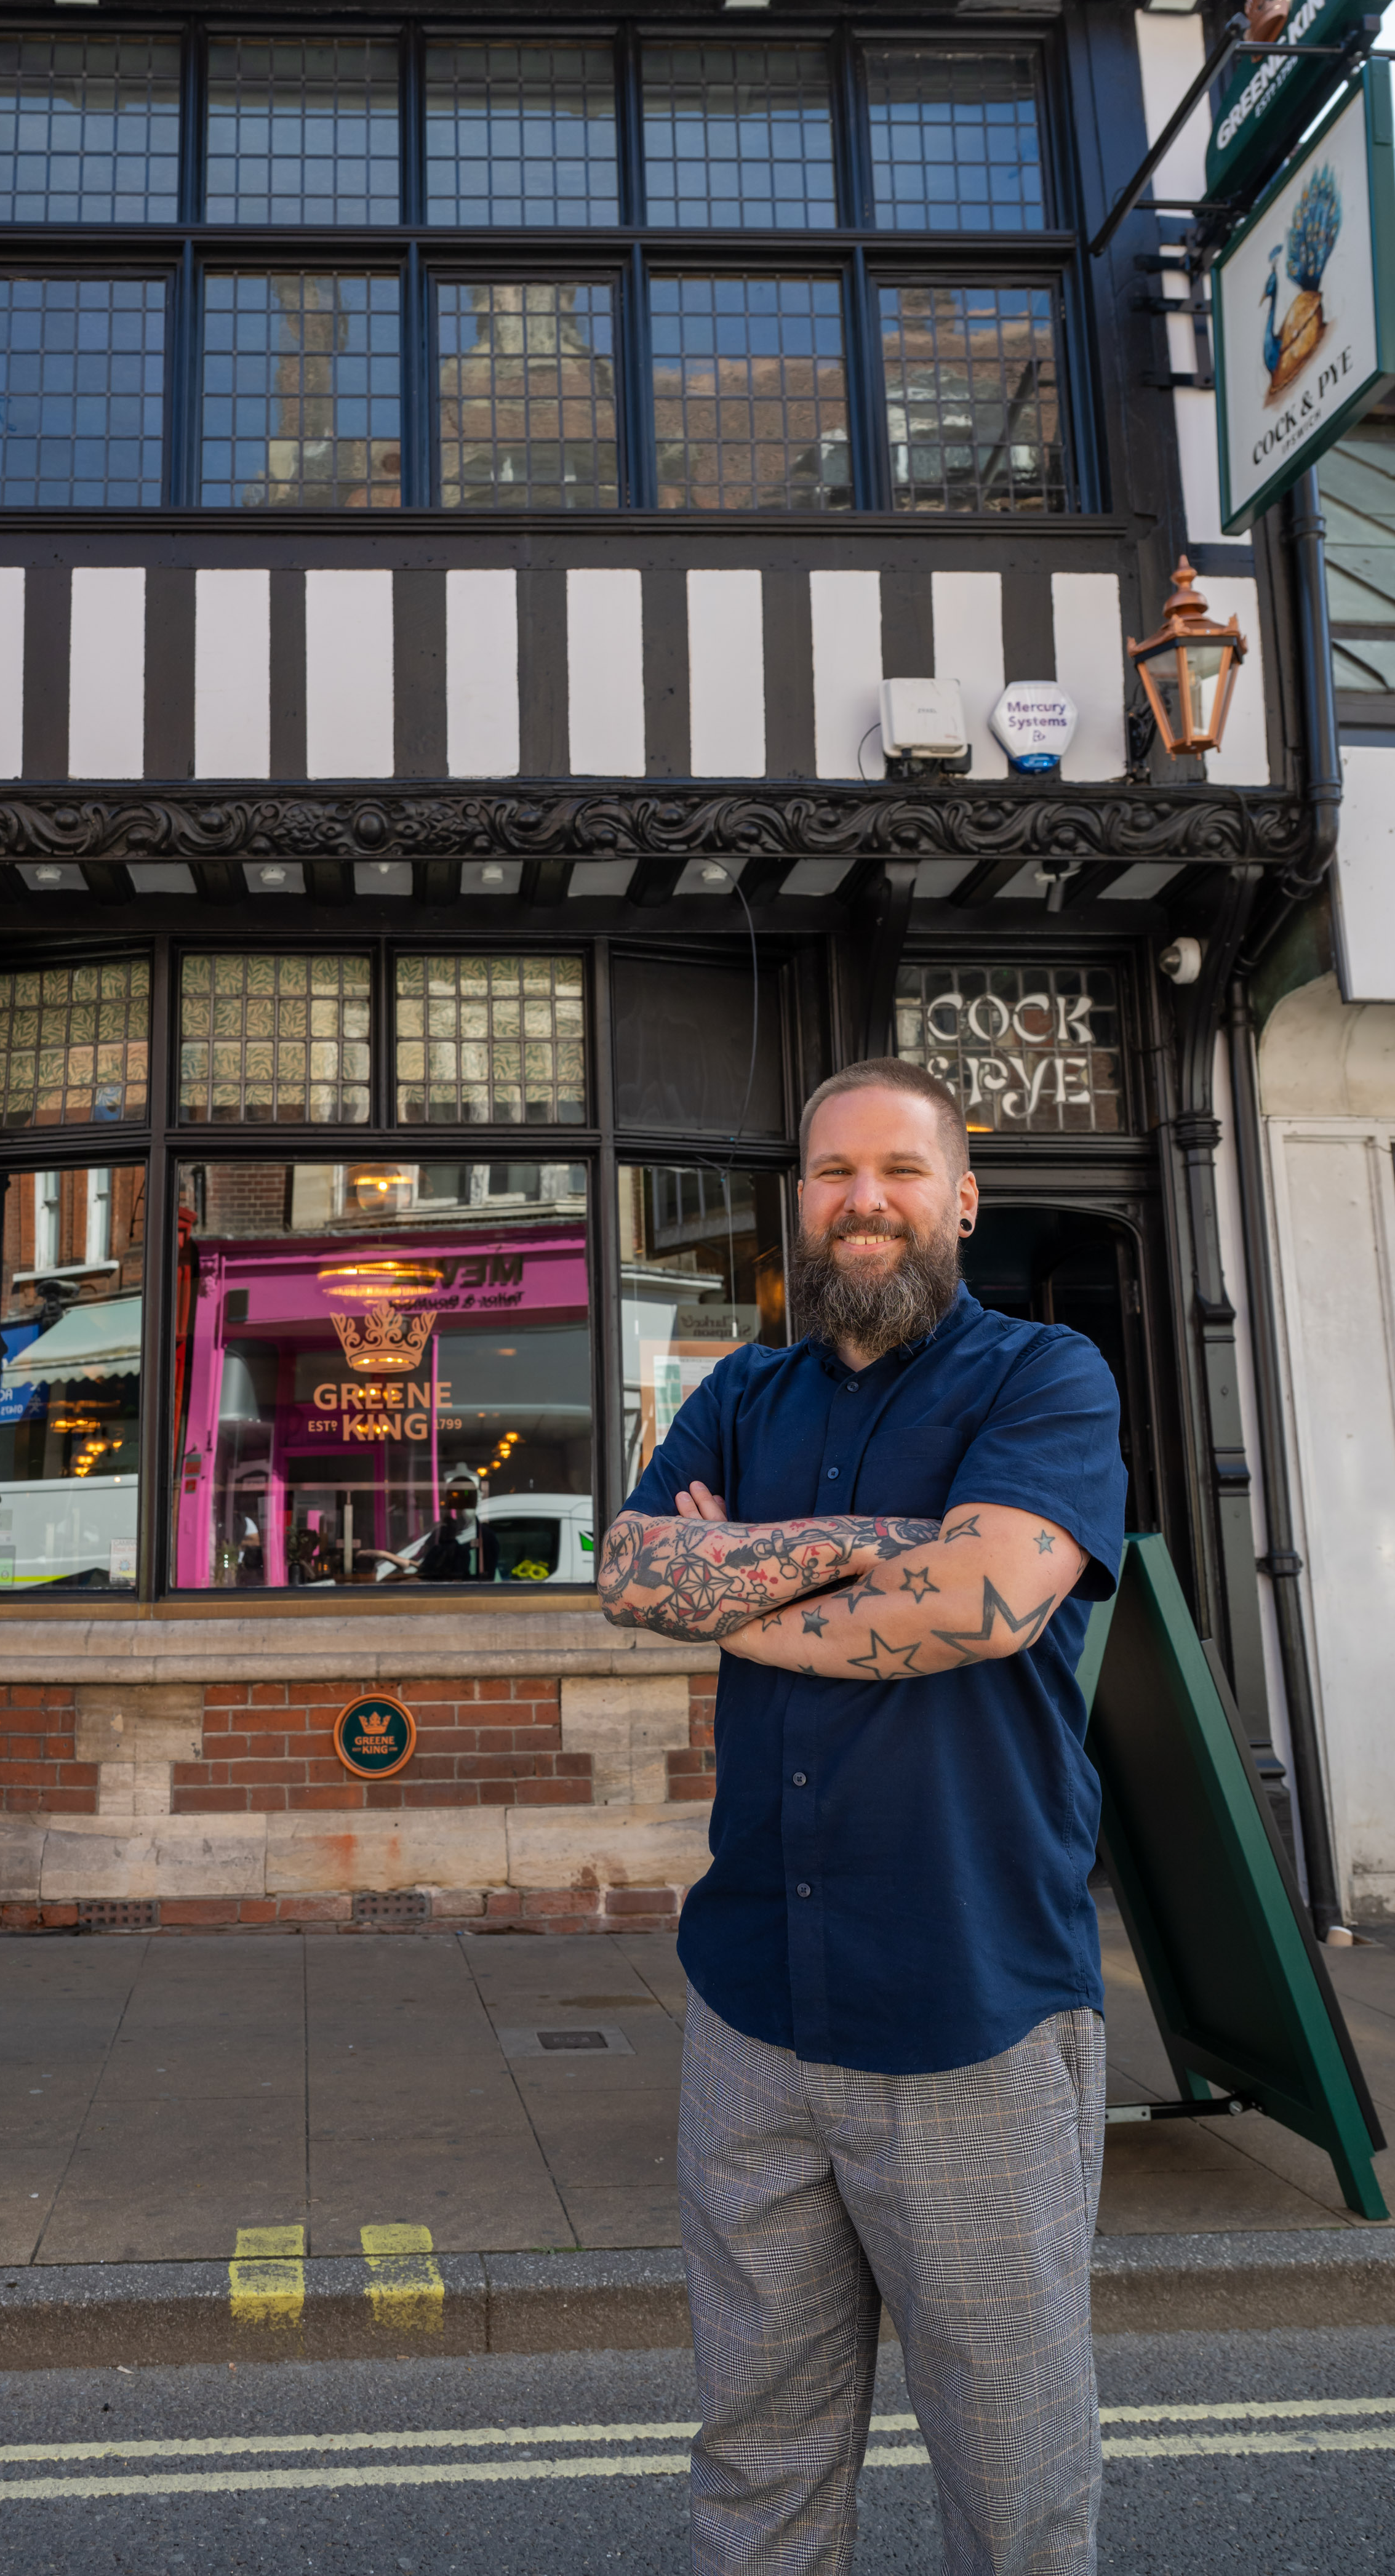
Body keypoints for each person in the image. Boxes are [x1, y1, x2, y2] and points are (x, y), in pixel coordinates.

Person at [598, 1056, 1126, 2576]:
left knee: (1014, 2483)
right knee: (756, 2455)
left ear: (961, 1201)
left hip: (969, 2007)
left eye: (901, 1170)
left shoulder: (1045, 1378)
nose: (865, 1200)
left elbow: (984, 1600)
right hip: (752, 2007)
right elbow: (630, 1575)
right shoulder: (741, 1392)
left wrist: (744, 1579)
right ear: (802, 1203)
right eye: (835, 1173)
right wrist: (888, 1548)